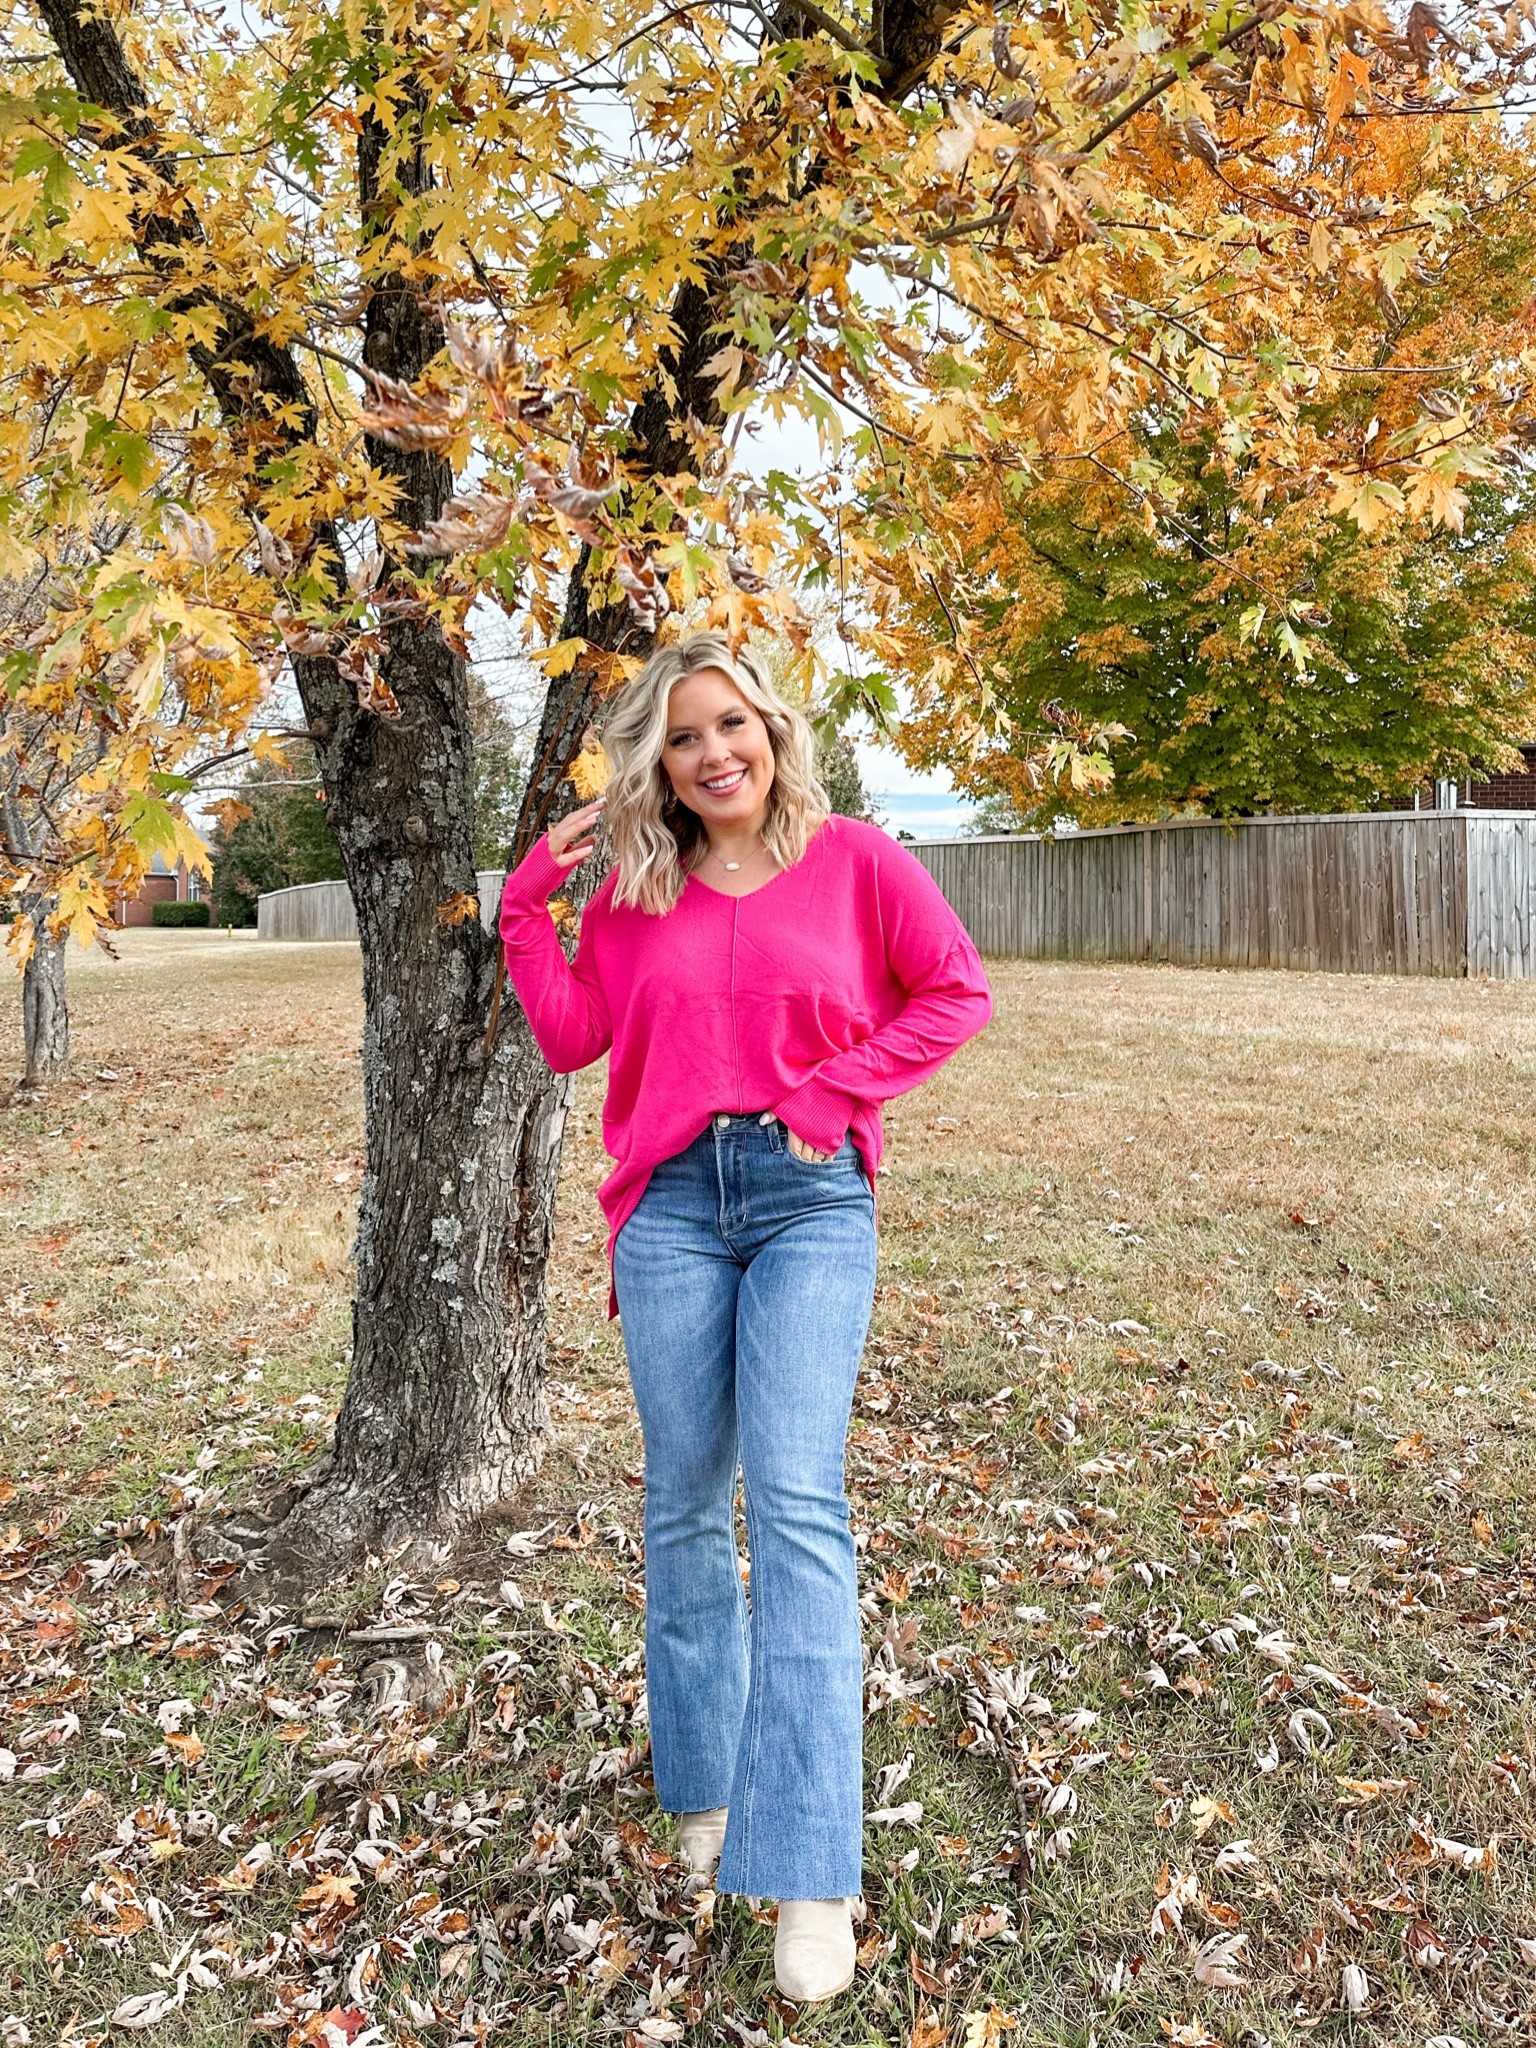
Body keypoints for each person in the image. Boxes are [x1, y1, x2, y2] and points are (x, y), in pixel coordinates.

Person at [498, 632, 992, 2002]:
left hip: (808, 1203)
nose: (715, 753)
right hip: (667, 1212)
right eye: (683, 738)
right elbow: (569, 1038)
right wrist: (526, 910)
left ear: (771, 731)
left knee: (794, 1504)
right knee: (680, 1504)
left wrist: (834, 1097)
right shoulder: (637, 891)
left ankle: (813, 1868)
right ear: (655, 763)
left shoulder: (856, 862)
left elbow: (956, 993)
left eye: (733, 726)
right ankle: (707, 1796)